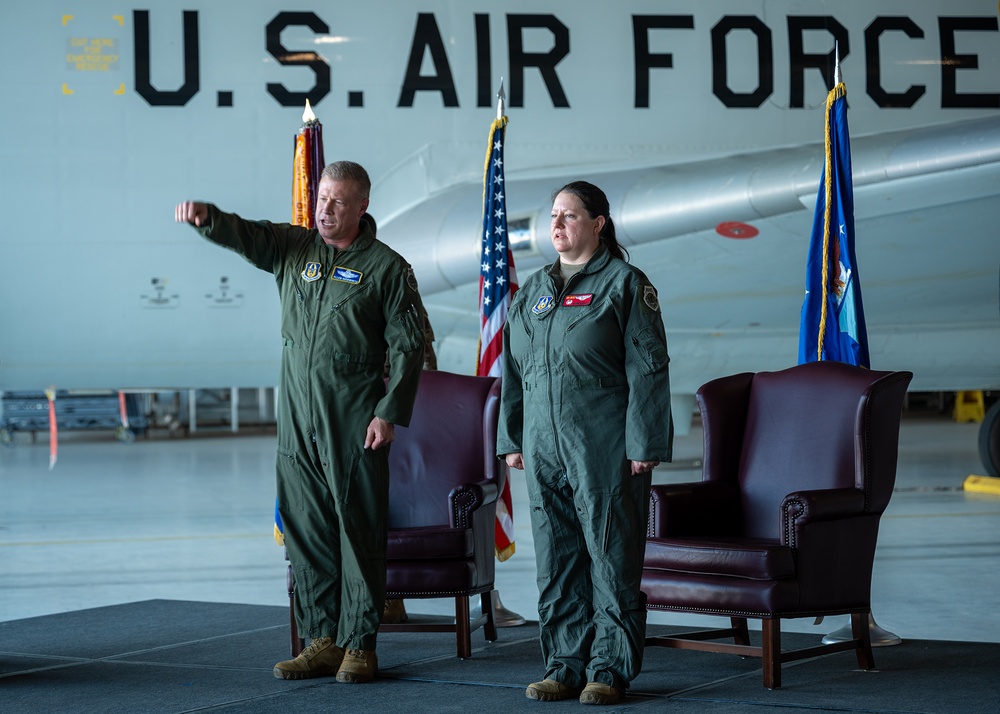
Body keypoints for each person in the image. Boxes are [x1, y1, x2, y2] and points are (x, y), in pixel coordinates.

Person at [174, 161, 426, 684]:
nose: (326, 210)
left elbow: (408, 345)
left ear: (361, 207)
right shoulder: (295, 249)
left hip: (353, 416)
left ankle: (360, 644)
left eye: (338, 202)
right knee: (306, 530)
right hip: (295, 415)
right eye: (322, 199)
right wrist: (210, 220)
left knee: (356, 528)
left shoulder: (386, 268)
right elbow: (250, 237)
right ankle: (323, 640)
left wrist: (389, 412)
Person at [496, 181, 672, 706]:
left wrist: (645, 443)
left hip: (604, 444)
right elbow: (513, 371)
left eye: (570, 215)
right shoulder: (533, 291)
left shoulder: (624, 284)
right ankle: (564, 664)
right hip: (543, 445)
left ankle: (610, 668)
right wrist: (512, 435)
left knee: (610, 554)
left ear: (598, 223)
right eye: (554, 215)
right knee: (557, 558)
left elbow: (649, 369)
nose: (557, 225)